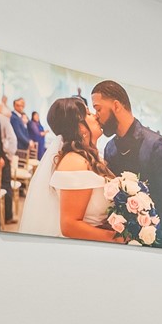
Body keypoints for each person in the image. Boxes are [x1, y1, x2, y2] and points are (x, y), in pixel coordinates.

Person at [91, 80, 162, 251]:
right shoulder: (110, 148)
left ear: (116, 106)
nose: (96, 116)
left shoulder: (157, 145)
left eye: (98, 109)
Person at [14, 97, 122, 242]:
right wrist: (117, 238)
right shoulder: (75, 161)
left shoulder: (89, 158)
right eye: (89, 114)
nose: (96, 115)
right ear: (80, 126)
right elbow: (69, 225)